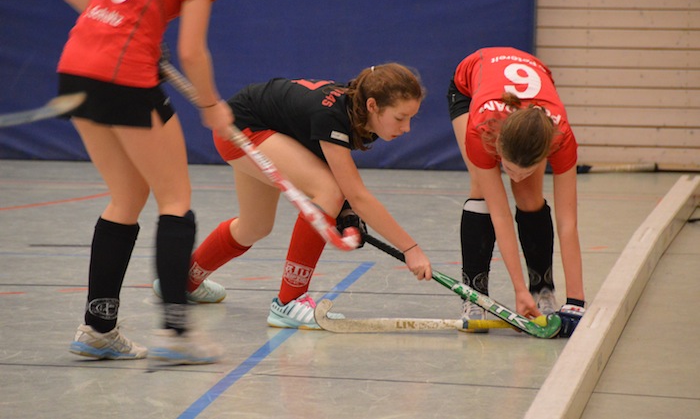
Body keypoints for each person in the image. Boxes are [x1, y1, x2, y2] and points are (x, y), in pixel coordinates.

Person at [153, 64, 433, 329]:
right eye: (400, 118)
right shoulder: (334, 117)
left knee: (255, 226)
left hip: (258, 124)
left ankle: (180, 282)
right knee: (329, 192)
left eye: (411, 118)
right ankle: (289, 301)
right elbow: (357, 195)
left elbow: (331, 168)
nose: (406, 128)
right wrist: (410, 248)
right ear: (373, 105)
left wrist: (346, 212)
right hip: (241, 129)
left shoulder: (358, 112)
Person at [58, 0, 233, 363]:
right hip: (123, 73)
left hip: (77, 66)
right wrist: (211, 105)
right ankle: (177, 333)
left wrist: (128, 32)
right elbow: (192, 50)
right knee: (175, 199)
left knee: (127, 196)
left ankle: (99, 327)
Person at [446, 47, 585, 338]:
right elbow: (501, 215)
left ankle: (542, 288)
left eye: (526, 169)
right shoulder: (481, 129)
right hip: (470, 89)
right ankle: (475, 294)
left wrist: (576, 301)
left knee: (529, 197)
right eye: (509, 168)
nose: (515, 176)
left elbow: (568, 222)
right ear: (498, 147)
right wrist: (518, 289)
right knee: (481, 191)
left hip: (530, 97)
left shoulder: (561, 137)